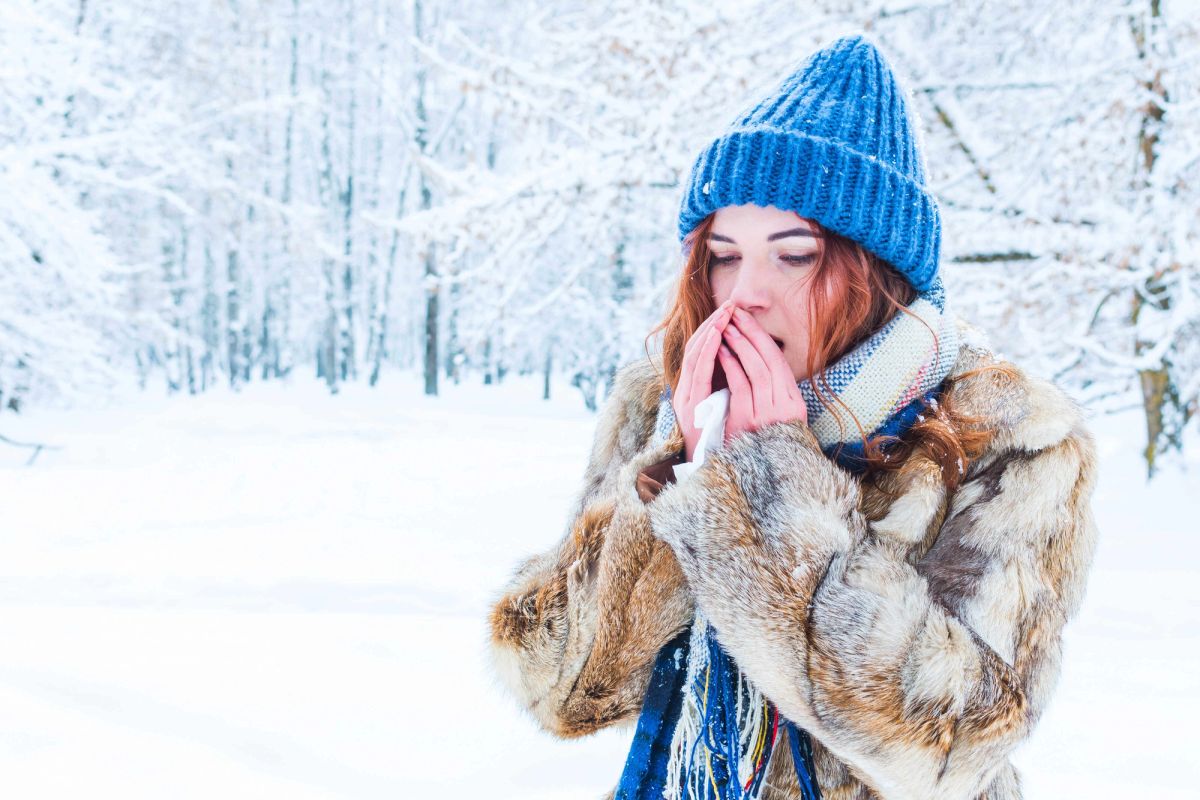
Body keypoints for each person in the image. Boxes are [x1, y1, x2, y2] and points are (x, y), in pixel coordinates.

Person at [486, 34, 1099, 800]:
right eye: (723, 254)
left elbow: (954, 743)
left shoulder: (1009, 436)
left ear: (875, 271)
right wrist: (689, 464)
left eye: (794, 253)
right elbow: (563, 689)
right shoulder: (667, 401)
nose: (745, 291)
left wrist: (775, 482)